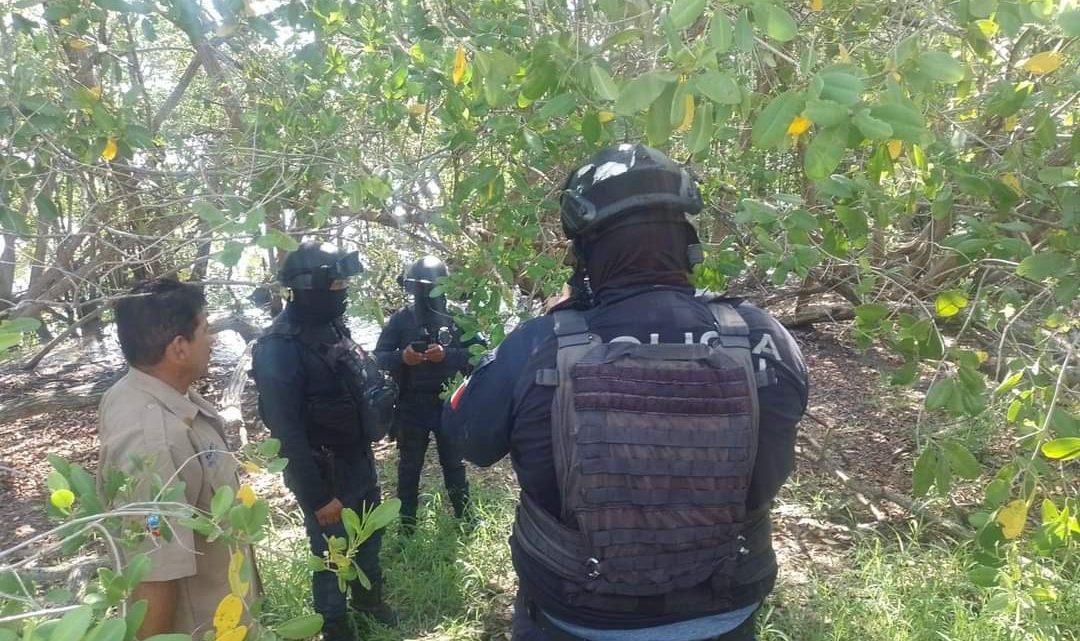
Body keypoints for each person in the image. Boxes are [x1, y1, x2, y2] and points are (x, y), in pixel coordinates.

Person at [444, 144, 809, 641]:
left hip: (575, 614)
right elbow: (774, 459)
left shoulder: (536, 346)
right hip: (722, 610)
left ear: (586, 249)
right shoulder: (764, 339)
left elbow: (468, 439)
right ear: (687, 241)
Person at [98, 278, 259, 637]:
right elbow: (154, 571)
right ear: (179, 348)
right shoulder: (154, 440)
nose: (213, 339)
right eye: (205, 328)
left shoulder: (147, 393)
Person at [251, 242, 396, 640]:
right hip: (324, 471)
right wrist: (316, 496)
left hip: (357, 458)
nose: (343, 290)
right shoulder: (278, 347)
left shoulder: (332, 326)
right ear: (310, 285)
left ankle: (369, 600)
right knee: (331, 552)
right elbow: (286, 433)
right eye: (336, 283)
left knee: (368, 536)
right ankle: (334, 623)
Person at [374, 256, 479, 532]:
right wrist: (402, 358)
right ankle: (407, 527)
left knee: (454, 465)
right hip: (411, 405)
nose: (421, 294)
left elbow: (481, 356)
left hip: (449, 402)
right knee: (409, 468)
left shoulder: (459, 317)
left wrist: (448, 356)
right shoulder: (401, 319)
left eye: (427, 287)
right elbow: (379, 357)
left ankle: (466, 519)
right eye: (416, 287)